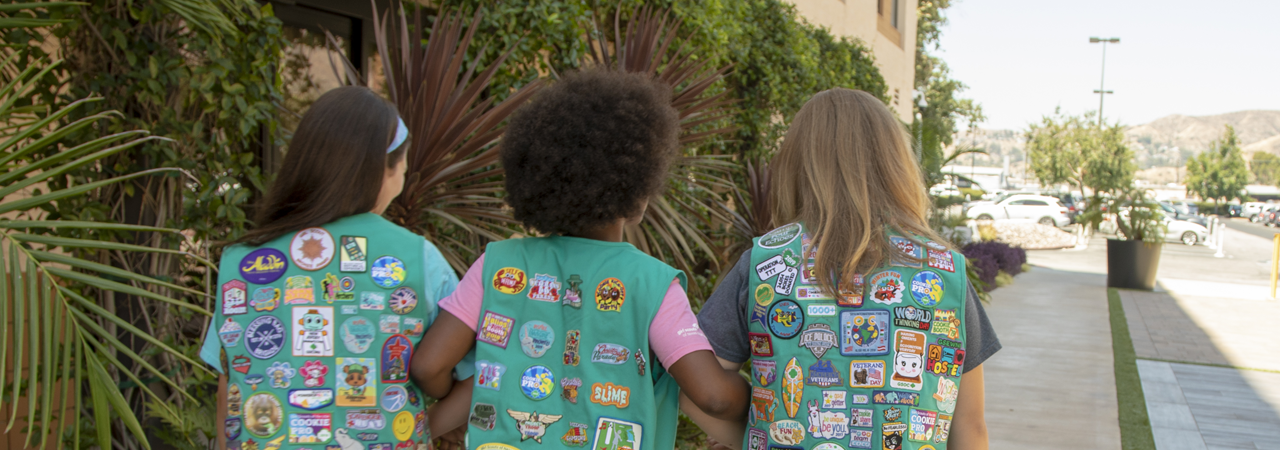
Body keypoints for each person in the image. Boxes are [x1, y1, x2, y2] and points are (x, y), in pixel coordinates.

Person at [408, 70, 749, 449]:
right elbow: (713, 396)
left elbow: (428, 367)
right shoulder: (652, 284)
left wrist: (449, 408)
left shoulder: (497, 265)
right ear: (639, 191)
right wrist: (770, 394)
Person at [695, 89, 1002, 449]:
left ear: (797, 165)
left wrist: (749, 437)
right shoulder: (944, 271)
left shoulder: (764, 263)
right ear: (896, 164)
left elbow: (698, 390)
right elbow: (970, 427)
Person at [199, 86, 465, 450]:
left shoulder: (242, 260)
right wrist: (418, 429)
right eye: (403, 165)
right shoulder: (420, 258)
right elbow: (477, 374)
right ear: (387, 170)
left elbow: (229, 388)